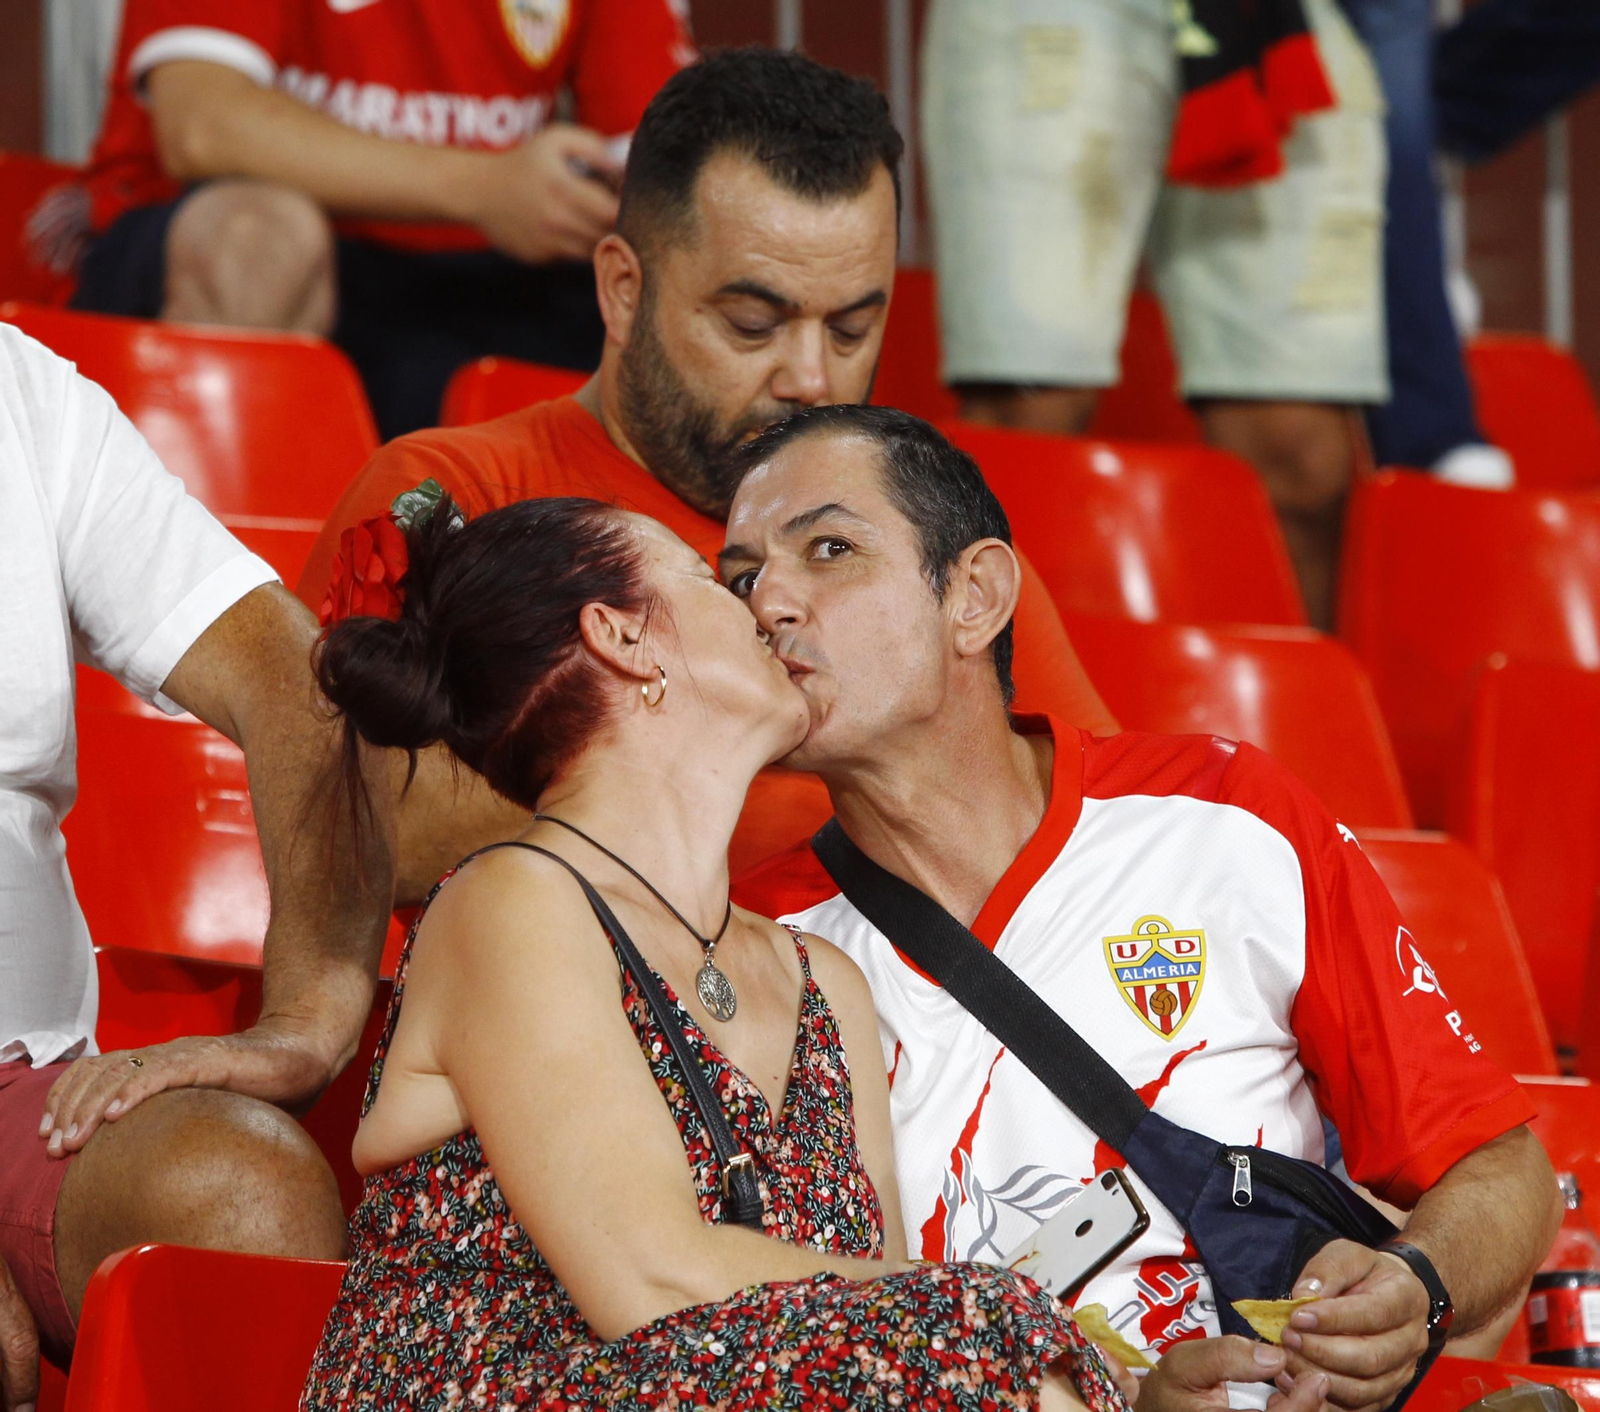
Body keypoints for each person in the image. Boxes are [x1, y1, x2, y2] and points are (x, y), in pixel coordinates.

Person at [725, 405, 1563, 1407]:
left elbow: (1496, 1165)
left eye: (828, 548)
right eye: (739, 576)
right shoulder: (751, 946)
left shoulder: (1222, 816)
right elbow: (779, 1345)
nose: (766, 600)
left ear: (976, 595)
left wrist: (1413, 1286)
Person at [296, 491, 1131, 1412]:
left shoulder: (826, 983)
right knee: (990, 1351)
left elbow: (872, 1339)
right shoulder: (511, 903)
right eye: (714, 580)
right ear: (622, 637)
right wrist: (1008, 1323)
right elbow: (648, 1281)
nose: (763, 610)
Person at [296, 47, 1116, 891]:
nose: (811, 379)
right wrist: (723, 724)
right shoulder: (449, 496)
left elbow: (1105, 838)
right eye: (754, 322)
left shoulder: (926, 534)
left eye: (851, 329)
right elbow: (355, 824)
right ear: (621, 289)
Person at [0, 324, 396, 1403]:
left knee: (247, 1197)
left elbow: (295, 684)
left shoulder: (20, 394)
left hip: (17, 1090)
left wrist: (307, 1021)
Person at [920, 0, 1388, 629]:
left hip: (1278, 18)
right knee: (1027, 416)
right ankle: (1003, 711)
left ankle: (1279, 720)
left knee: (1299, 454)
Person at [71, 0, 695, 438]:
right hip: (220, 252)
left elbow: (673, 158)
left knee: (677, 295)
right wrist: (486, 185)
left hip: (476, 272)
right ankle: (217, 596)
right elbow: (202, 126)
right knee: (259, 238)